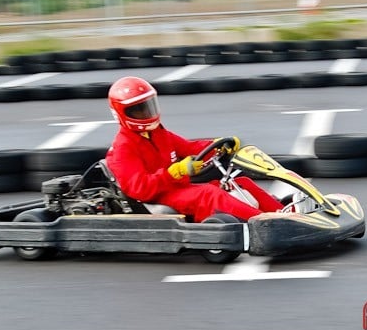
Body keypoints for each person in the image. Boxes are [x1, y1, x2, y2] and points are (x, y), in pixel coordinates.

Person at [105, 76, 284, 222]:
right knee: (208, 193)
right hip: (157, 197)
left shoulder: (158, 134)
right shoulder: (122, 148)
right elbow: (140, 189)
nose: (146, 113)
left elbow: (190, 147)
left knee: (240, 182)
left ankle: (284, 214)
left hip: (178, 188)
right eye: (138, 110)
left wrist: (219, 144)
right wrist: (174, 172)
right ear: (121, 113)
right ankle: (264, 222)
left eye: (148, 106)